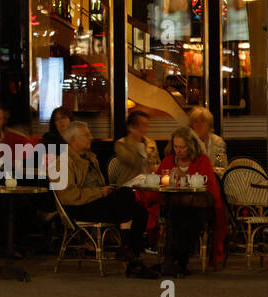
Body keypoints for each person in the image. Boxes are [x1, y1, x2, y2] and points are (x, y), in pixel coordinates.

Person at [56, 121, 156, 278]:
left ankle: (132, 258)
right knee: (127, 194)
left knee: (140, 212)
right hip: (79, 208)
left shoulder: (91, 157)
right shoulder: (63, 162)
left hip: (96, 202)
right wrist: (99, 192)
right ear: (73, 139)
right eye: (86, 135)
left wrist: (106, 191)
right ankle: (129, 253)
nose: (91, 137)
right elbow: (69, 196)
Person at [156, 125, 226, 274]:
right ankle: (174, 260)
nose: (178, 150)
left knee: (186, 216)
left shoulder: (202, 160)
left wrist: (183, 178)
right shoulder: (169, 161)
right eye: (176, 146)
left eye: (182, 147)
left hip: (200, 206)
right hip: (175, 205)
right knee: (175, 215)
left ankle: (177, 260)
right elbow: (158, 180)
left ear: (191, 146)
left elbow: (207, 186)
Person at [111, 110, 159, 187]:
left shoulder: (151, 144)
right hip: (128, 185)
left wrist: (156, 168)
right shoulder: (122, 144)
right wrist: (133, 139)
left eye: (146, 125)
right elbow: (134, 162)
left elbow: (157, 164)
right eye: (142, 125)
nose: (145, 128)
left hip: (149, 184)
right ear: (131, 127)